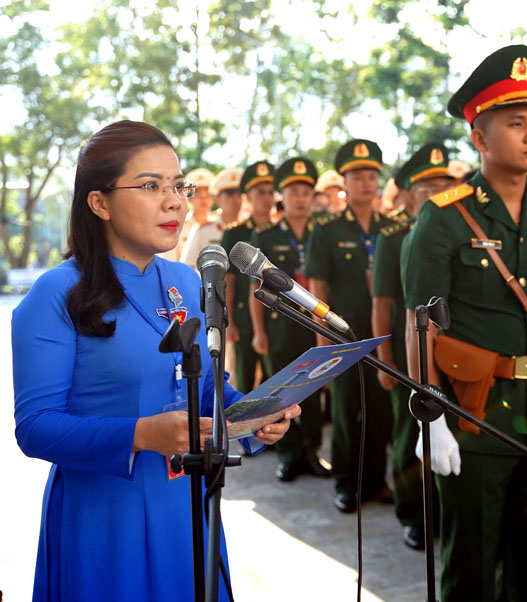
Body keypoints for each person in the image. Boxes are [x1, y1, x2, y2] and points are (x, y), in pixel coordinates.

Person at [11, 120, 298, 602]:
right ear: (99, 202)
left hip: (184, 506)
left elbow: (207, 390)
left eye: (177, 185)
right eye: (150, 186)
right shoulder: (57, 293)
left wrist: (256, 416)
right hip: (104, 516)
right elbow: (34, 426)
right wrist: (141, 434)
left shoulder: (187, 282)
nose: (175, 201)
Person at [402, 45, 527, 601]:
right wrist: (429, 418)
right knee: (471, 567)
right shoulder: (443, 217)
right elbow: (422, 326)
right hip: (473, 414)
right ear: (480, 138)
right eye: (516, 124)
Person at [372, 142, 456, 550]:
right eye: (428, 186)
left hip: (450, 354)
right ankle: (414, 515)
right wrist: (385, 360)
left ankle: (442, 511)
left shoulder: (457, 228)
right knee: (410, 433)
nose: (438, 191)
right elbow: (382, 302)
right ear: (408, 194)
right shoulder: (393, 236)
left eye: (445, 183)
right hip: (408, 353)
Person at [307, 138, 396, 514]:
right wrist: (323, 342)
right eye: (358, 175)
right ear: (344, 181)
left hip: (384, 336)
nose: (366, 182)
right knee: (345, 413)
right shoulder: (326, 230)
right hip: (343, 336)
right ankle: (347, 483)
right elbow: (317, 290)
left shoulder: (392, 228)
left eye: (372, 175)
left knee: (380, 411)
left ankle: (376, 481)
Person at [249, 157, 330, 481]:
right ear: (283, 196)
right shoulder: (266, 235)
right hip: (280, 327)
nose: (300, 198)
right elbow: (255, 289)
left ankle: (312, 453)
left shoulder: (322, 233)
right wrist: (258, 331)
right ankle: (288, 455)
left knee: (312, 394)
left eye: (306, 192)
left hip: (315, 327)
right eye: (293, 191)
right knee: (282, 394)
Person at [219, 161, 275, 393]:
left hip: (275, 317)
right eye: (260, 192)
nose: (266, 198)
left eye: (271, 192)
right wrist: (229, 320)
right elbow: (228, 280)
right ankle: (242, 429)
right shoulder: (235, 233)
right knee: (245, 382)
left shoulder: (279, 233)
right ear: (248, 197)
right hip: (243, 318)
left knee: (275, 383)